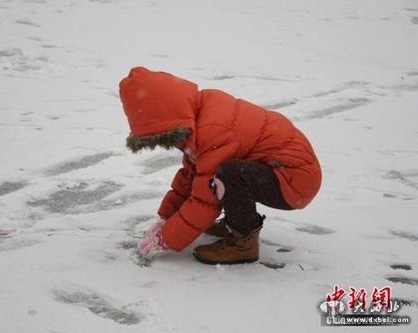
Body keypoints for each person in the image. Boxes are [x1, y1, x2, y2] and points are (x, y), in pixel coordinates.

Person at [119, 67, 322, 265]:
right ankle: (234, 223)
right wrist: (166, 218)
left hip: (294, 180)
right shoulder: (201, 112)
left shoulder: (213, 129)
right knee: (222, 175)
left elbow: (205, 200)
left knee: (228, 175)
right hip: (281, 171)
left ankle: (243, 244)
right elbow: (191, 176)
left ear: (166, 119)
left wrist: (167, 238)